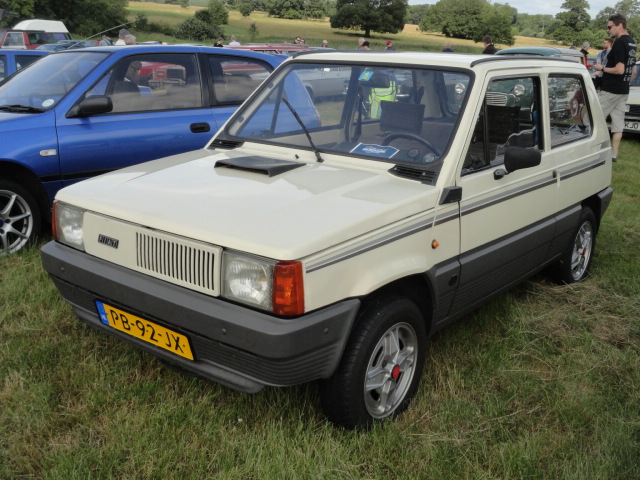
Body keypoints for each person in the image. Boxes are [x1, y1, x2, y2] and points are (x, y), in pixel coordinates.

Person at [593, 14, 637, 162]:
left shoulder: (619, 43)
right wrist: (625, 82)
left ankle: (597, 152)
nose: (607, 30)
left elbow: (619, 69)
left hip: (610, 90)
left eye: (610, 26)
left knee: (593, 119)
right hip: (624, 90)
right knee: (618, 125)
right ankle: (613, 156)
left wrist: (602, 68)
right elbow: (633, 71)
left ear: (619, 25)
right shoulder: (632, 42)